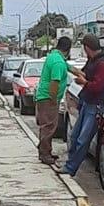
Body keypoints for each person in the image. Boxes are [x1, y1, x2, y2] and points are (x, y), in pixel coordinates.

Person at [60, 34, 104, 177]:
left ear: (87, 48)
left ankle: (71, 168)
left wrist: (84, 82)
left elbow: (97, 86)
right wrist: (78, 74)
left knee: (83, 139)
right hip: (87, 101)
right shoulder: (93, 60)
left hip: (96, 104)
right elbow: (84, 72)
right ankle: (69, 163)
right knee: (74, 136)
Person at [34, 36, 82, 164]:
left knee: (48, 125)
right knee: (49, 126)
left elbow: (71, 68)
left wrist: (82, 74)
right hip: (48, 98)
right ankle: (44, 154)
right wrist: (54, 99)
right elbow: (54, 82)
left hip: (44, 97)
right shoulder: (58, 63)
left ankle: (46, 150)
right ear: (68, 49)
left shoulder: (54, 56)